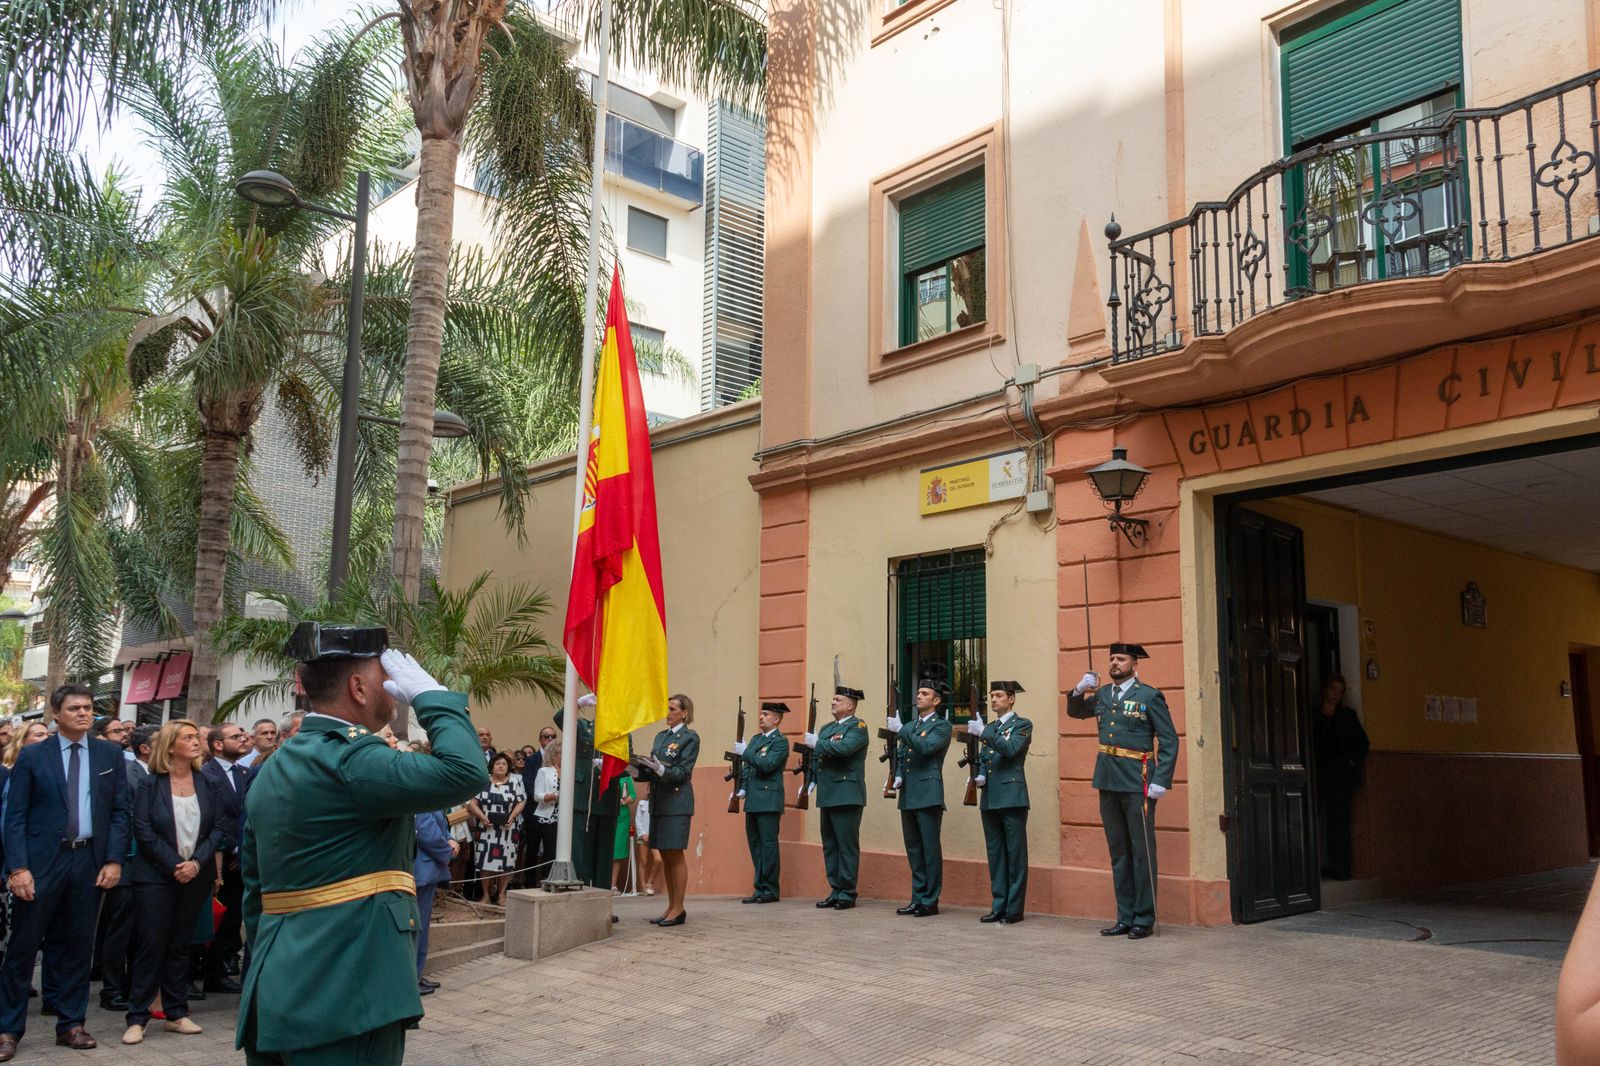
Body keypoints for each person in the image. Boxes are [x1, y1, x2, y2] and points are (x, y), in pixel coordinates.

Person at [236, 621, 488, 1065]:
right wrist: (433, 698)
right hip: (349, 989)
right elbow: (466, 773)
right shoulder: (353, 759)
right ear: (357, 687)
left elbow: (258, 894)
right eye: (385, 677)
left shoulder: (276, 767)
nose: (393, 689)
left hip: (280, 985)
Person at [0, 683, 131, 1059]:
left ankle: (72, 1024)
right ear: (55, 714)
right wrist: (18, 868)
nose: (83, 713)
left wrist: (114, 859)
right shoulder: (33, 757)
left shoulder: (109, 753)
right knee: (23, 948)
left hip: (88, 861)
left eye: (88, 708)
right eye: (74, 708)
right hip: (42, 863)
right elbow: (15, 817)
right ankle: (8, 1029)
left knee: (77, 946)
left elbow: (121, 811)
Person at [1067, 642, 1178, 940]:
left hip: (1138, 779)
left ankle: (1144, 918)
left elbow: (1169, 740)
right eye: (1112, 659)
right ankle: (1124, 916)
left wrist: (1161, 779)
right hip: (1108, 778)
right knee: (1119, 851)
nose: (1115, 663)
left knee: (1141, 850)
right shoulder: (1102, 694)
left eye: (1122, 659)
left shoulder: (1149, 696)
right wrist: (1079, 689)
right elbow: (1076, 713)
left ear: (1134, 664)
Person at [121, 721, 222, 1045]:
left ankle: (177, 1013)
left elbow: (218, 828)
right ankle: (138, 1017)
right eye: (189, 738)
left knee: (181, 944)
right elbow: (144, 830)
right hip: (156, 876)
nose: (196, 742)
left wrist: (195, 864)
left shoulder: (206, 782)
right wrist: (174, 864)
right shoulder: (150, 784)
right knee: (151, 944)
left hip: (196, 875)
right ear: (170, 745)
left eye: (197, 737)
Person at [887, 678, 952, 917]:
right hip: (909, 794)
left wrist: (901, 730)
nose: (919, 696)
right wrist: (898, 775)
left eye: (924, 693)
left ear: (936, 700)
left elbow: (925, 748)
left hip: (928, 794)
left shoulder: (942, 726)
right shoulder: (912, 725)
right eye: (918, 692)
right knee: (914, 849)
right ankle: (917, 897)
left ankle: (930, 900)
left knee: (930, 850)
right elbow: (903, 755)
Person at [630, 694, 697, 924]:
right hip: (659, 801)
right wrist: (634, 769)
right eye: (666, 709)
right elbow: (652, 769)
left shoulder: (689, 737)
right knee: (666, 855)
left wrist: (660, 769)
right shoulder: (660, 737)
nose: (667, 713)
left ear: (684, 713)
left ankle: (679, 908)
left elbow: (683, 772)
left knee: (675, 853)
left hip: (677, 802)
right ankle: (671, 906)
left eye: (672, 709)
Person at [970, 680, 1032, 925]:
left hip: (1012, 796)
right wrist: (981, 773)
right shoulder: (992, 726)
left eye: (998, 695)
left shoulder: (1022, 724)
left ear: (1011, 699)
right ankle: (999, 905)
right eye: (991, 696)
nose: (993, 700)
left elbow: (1011, 749)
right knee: (996, 854)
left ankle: (1014, 909)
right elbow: (987, 756)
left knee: (1015, 855)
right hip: (991, 796)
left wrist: (984, 733)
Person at [806, 685, 869, 911]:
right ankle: (835, 889)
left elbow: (844, 749)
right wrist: (811, 779)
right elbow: (817, 758)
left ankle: (847, 892)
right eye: (833, 699)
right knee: (830, 845)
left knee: (846, 846)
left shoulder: (858, 727)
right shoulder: (825, 728)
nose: (833, 702)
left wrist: (818, 744)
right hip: (828, 793)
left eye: (838, 699)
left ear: (850, 705)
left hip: (847, 793)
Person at [200, 722, 251, 992]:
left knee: (233, 918)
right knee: (216, 919)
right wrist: (231, 847)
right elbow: (213, 818)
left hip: (241, 859)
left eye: (243, 735)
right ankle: (209, 971)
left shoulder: (245, 772)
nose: (243, 739)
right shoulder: (206, 774)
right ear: (218, 744)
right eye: (235, 736)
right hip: (219, 859)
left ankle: (221, 968)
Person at [552, 696, 620, 889]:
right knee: (581, 853)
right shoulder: (583, 728)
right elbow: (559, 718)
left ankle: (602, 901)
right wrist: (577, 704)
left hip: (607, 798)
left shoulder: (621, 734)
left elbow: (626, 762)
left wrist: (610, 768)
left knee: (604, 856)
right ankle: (582, 898)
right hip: (583, 798)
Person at [1313, 674, 1368, 882]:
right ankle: (1312, 865)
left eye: (1340, 691)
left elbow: (1363, 743)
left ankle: (1341, 868)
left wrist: (1351, 763)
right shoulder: (1313, 715)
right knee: (1311, 817)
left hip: (1340, 772)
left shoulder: (1347, 716)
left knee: (1339, 820)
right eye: (1333, 689)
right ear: (1324, 690)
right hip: (1318, 769)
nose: (1336, 694)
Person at [737, 702, 790, 905]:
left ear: (776, 719)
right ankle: (759, 888)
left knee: (768, 846)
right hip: (753, 799)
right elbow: (748, 767)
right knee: (755, 845)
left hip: (768, 799)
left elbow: (767, 765)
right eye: (761, 713)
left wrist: (746, 752)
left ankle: (770, 889)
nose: (761, 717)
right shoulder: (756, 739)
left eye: (765, 714)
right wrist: (741, 787)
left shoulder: (780, 742)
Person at [467, 752, 525, 906]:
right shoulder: (484, 781)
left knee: (506, 862)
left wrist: (512, 816)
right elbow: (472, 803)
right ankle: (486, 895)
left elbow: (521, 802)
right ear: (492, 766)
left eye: (504, 764)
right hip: (486, 829)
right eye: (497, 763)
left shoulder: (514, 781)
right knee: (485, 861)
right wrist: (481, 817)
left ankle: (501, 895)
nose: (500, 766)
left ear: (508, 767)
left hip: (508, 830)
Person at [411, 803, 454, 997]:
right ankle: (412, 978)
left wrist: (450, 839)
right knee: (416, 927)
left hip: (429, 870)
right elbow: (424, 831)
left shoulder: (430, 797)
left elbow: (442, 825)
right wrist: (447, 851)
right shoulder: (422, 798)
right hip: (421, 869)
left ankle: (418, 974)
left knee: (423, 927)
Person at [527, 739, 561, 883]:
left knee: (557, 850)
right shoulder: (544, 771)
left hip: (563, 817)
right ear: (552, 754)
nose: (563, 756)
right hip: (546, 816)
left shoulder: (570, 771)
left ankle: (556, 878)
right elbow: (536, 795)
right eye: (560, 753)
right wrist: (555, 795)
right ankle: (541, 879)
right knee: (546, 850)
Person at [611, 771, 638, 892]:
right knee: (606, 850)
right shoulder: (606, 770)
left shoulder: (626, 775)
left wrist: (626, 800)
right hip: (608, 815)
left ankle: (613, 885)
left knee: (618, 852)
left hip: (622, 817)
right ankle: (600, 883)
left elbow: (633, 795)